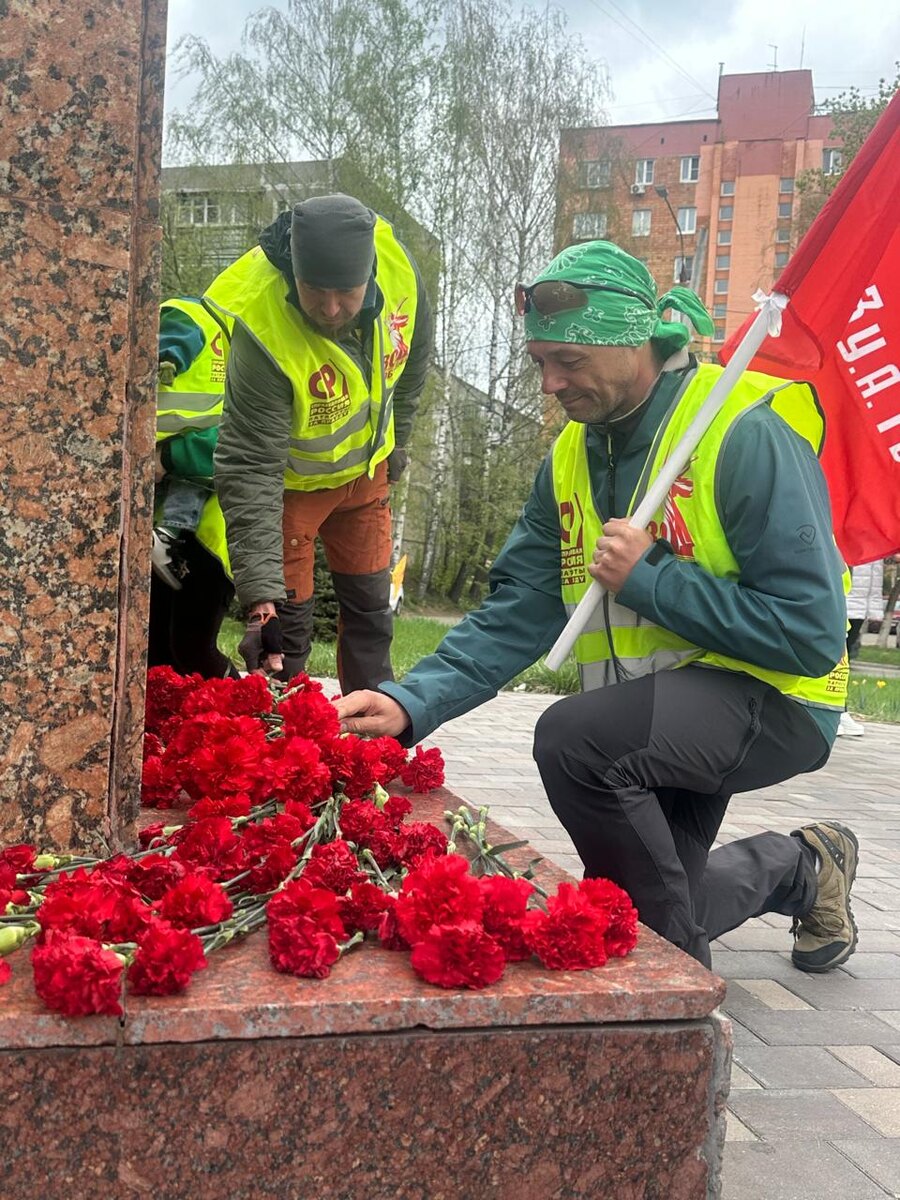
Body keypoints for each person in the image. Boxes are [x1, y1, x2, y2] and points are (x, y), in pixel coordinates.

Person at [336, 239, 859, 975]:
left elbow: (808, 633)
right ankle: (802, 865)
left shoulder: (742, 432)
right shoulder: (572, 457)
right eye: (540, 363)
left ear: (632, 343)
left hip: (778, 700)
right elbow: (522, 606)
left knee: (575, 742)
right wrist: (411, 702)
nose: (550, 383)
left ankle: (671, 1019)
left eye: (569, 362)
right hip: (656, 720)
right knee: (630, 904)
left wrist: (651, 580)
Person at [206, 194, 431, 690]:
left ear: (369, 274)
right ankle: (289, 753)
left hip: (366, 475)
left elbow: (412, 361)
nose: (331, 309)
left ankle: (371, 750)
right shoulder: (261, 328)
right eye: (314, 291)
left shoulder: (398, 272)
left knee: (372, 615)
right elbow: (249, 463)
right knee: (285, 636)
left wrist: (399, 443)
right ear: (294, 275)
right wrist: (260, 601)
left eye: (346, 293)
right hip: (293, 491)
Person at [148, 298, 238, 680]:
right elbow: (175, 337)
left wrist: (168, 456)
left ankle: (257, 724)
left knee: (191, 649)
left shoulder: (255, 356)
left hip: (208, 541)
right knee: (156, 653)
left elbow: (243, 448)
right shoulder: (196, 317)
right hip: (160, 522)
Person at [839, 559, 885, 736]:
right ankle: (836, 710)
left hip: (860, 601)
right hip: (848, 598)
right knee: (837, 655)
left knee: (846, 655)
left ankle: (841, 709)